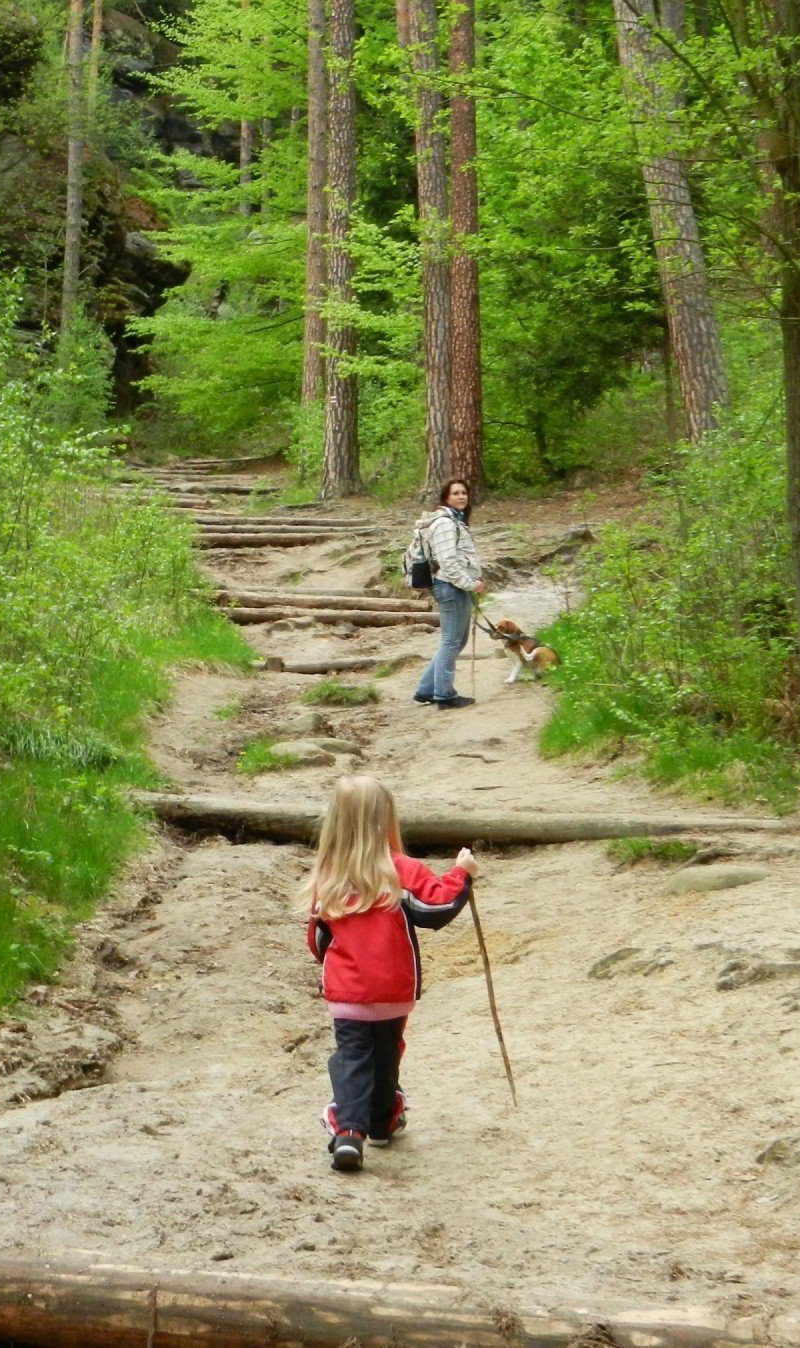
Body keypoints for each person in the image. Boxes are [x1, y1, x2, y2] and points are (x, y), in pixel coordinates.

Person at [302, 774, 476, 1173]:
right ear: (386, 821)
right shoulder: (400, 869)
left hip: (348, 991)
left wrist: (338, 967)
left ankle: (348, 1132)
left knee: (352, 1057)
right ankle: (381, 1120)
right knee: (385, 1054)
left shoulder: (329, 875)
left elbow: (318, 940)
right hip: (393, 989)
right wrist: (461, 874)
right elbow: (436, 909)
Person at [410, 478, 485, 708]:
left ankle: (426, 689)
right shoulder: (444, 523)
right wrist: (470, 583)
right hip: (450, 586)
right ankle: (444, 694)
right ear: (446, 498)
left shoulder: (455, 521)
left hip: (454, 586)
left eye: (464, 492)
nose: (461, 497)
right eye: (456, 493)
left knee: (454, 641)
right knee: (451, 641)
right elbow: (448, 562)